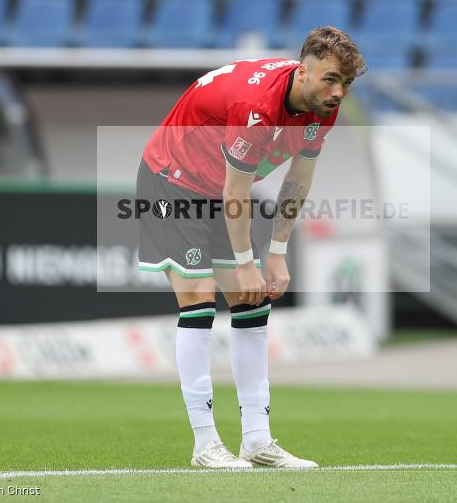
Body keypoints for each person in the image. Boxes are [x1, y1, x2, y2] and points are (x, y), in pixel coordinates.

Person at [135, 26, 365, 468]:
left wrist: (276, 251)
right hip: (171, 179)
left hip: (216, 186)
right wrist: (246, 262)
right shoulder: (255, 108)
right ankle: (205, 444)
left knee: (251, 301)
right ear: (303, 72)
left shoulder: (322, 107)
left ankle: (257, 441)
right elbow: (236, 190)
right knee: (199, 301)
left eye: (347, 84)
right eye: (331, 79)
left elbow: (299, 178)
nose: (339, 92)